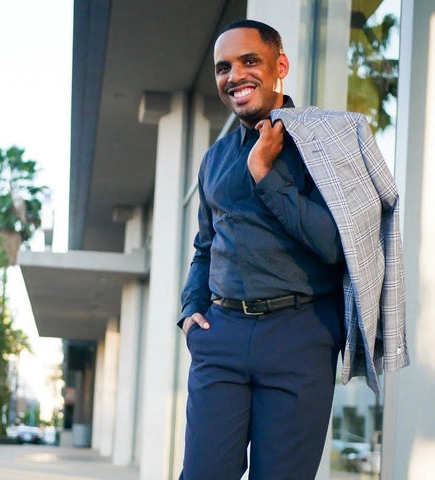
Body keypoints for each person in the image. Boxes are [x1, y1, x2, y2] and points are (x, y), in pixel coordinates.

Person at [178, 19, 408, 480]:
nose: (235, 76)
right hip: (220, 335)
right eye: (224, 68)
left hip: (300, 337)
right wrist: (191, 310)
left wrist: (266, 174)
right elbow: (205, 245)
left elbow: (335, 245)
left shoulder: (328, 143)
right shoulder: (216, 158)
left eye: (249, 61)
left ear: (279, 66)